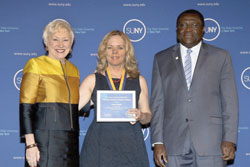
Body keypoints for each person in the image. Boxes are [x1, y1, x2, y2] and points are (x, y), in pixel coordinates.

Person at [150, 9, 238, 167]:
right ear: (177, 29)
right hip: (173, 145)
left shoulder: (221, 57)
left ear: (203, 29)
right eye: (183, 25)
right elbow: (157, 103)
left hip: (212, 145)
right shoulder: (161, 58)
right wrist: (157, 142)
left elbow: (229, 101)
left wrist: (229, 139)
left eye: (194, 25)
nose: (188, 29)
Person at [78, 30, 151, 167]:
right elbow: (71, 107)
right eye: (110, 48)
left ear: (127, 51)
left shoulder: (139, 80)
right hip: (99, 144)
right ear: (104, 51)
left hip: (131, 145)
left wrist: (141, 115)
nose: (115, 52)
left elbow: (148, 116)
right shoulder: (92, 80)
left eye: (120, 47)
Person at [19, 19, 80, 167]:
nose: (61, 44)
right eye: (55, 39)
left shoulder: (74, 70)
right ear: (47, 43)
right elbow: (26, 107)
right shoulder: (35, 65)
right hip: (45, 141)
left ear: (71, 44)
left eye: (65, 40)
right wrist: (30, 144)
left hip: (70, 142)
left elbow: (78, 106)